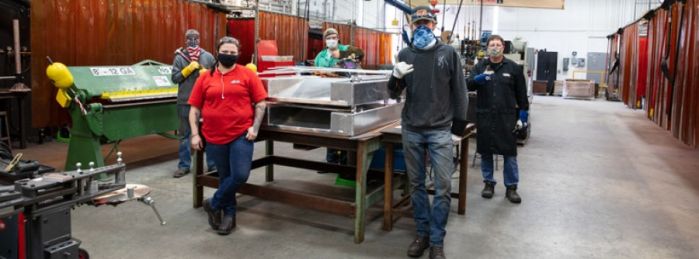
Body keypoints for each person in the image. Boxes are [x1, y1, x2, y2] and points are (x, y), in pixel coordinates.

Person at [387, 6, 468, 259]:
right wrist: (394, 76)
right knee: (417, 184)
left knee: (443, 185)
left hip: (440, 129)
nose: (422, 26)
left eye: (427, 22)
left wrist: (458, 126)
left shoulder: (448, 53)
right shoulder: (404, 53)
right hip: (412, 128)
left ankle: (436, 241)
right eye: (417, 22)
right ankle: (421, 234)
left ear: (435, 25)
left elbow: (460, 91)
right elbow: (392, 93)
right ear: (411, 26)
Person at [189, 36, 267, 235]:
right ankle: (228, 217)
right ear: (217, 51)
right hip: (214, 136)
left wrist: (255, 127)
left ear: (238, 54)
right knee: (225, 177)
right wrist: (195, 134)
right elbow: (195, 109)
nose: (229, 55)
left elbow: (261, 103)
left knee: (240, 175)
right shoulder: (205, 77)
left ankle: (213, 203)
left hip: (241, 133)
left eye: (233, 52)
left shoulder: (247, 75)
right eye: (226, 51)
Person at [466, 34, 528, 204]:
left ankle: (511, 187)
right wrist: (479, 79)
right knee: (486, 151)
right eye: (491, 44)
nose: (495, 47)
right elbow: (467, 85)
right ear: (487, 48)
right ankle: (488, 183)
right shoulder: (480, 66)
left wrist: (523, 115)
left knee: (509, 153)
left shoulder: (513, 68)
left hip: (506, 117)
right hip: (485, 115)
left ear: (503, 47)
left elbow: (521, 94)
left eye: (498, 44)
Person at [171, 29, 217, 178]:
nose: (192, 42)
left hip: (205, 102)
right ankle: (184, 166)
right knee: (184, 136)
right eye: (189, 39)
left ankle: (212, 165)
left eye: (195, 39)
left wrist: (208, 74)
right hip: (185, 101)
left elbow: (218, 78)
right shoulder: (179, 58)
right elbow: (175, 78)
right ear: (185, 40)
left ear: (199, 39)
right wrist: (187, 70)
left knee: (208, 134)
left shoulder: (208, 57)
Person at [314, 28, 350, 171]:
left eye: (334, 37)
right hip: (325, 95)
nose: (331, 40)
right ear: (325, 40)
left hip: (343, 94)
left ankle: (345, 163)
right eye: (328, 38)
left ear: (338, 38)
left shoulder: (345, 50)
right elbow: (315, 73)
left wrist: (338, 68)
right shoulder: (321, 55)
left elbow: (353, 65)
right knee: (330, 127)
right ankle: (331, 161)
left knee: (343, 126)